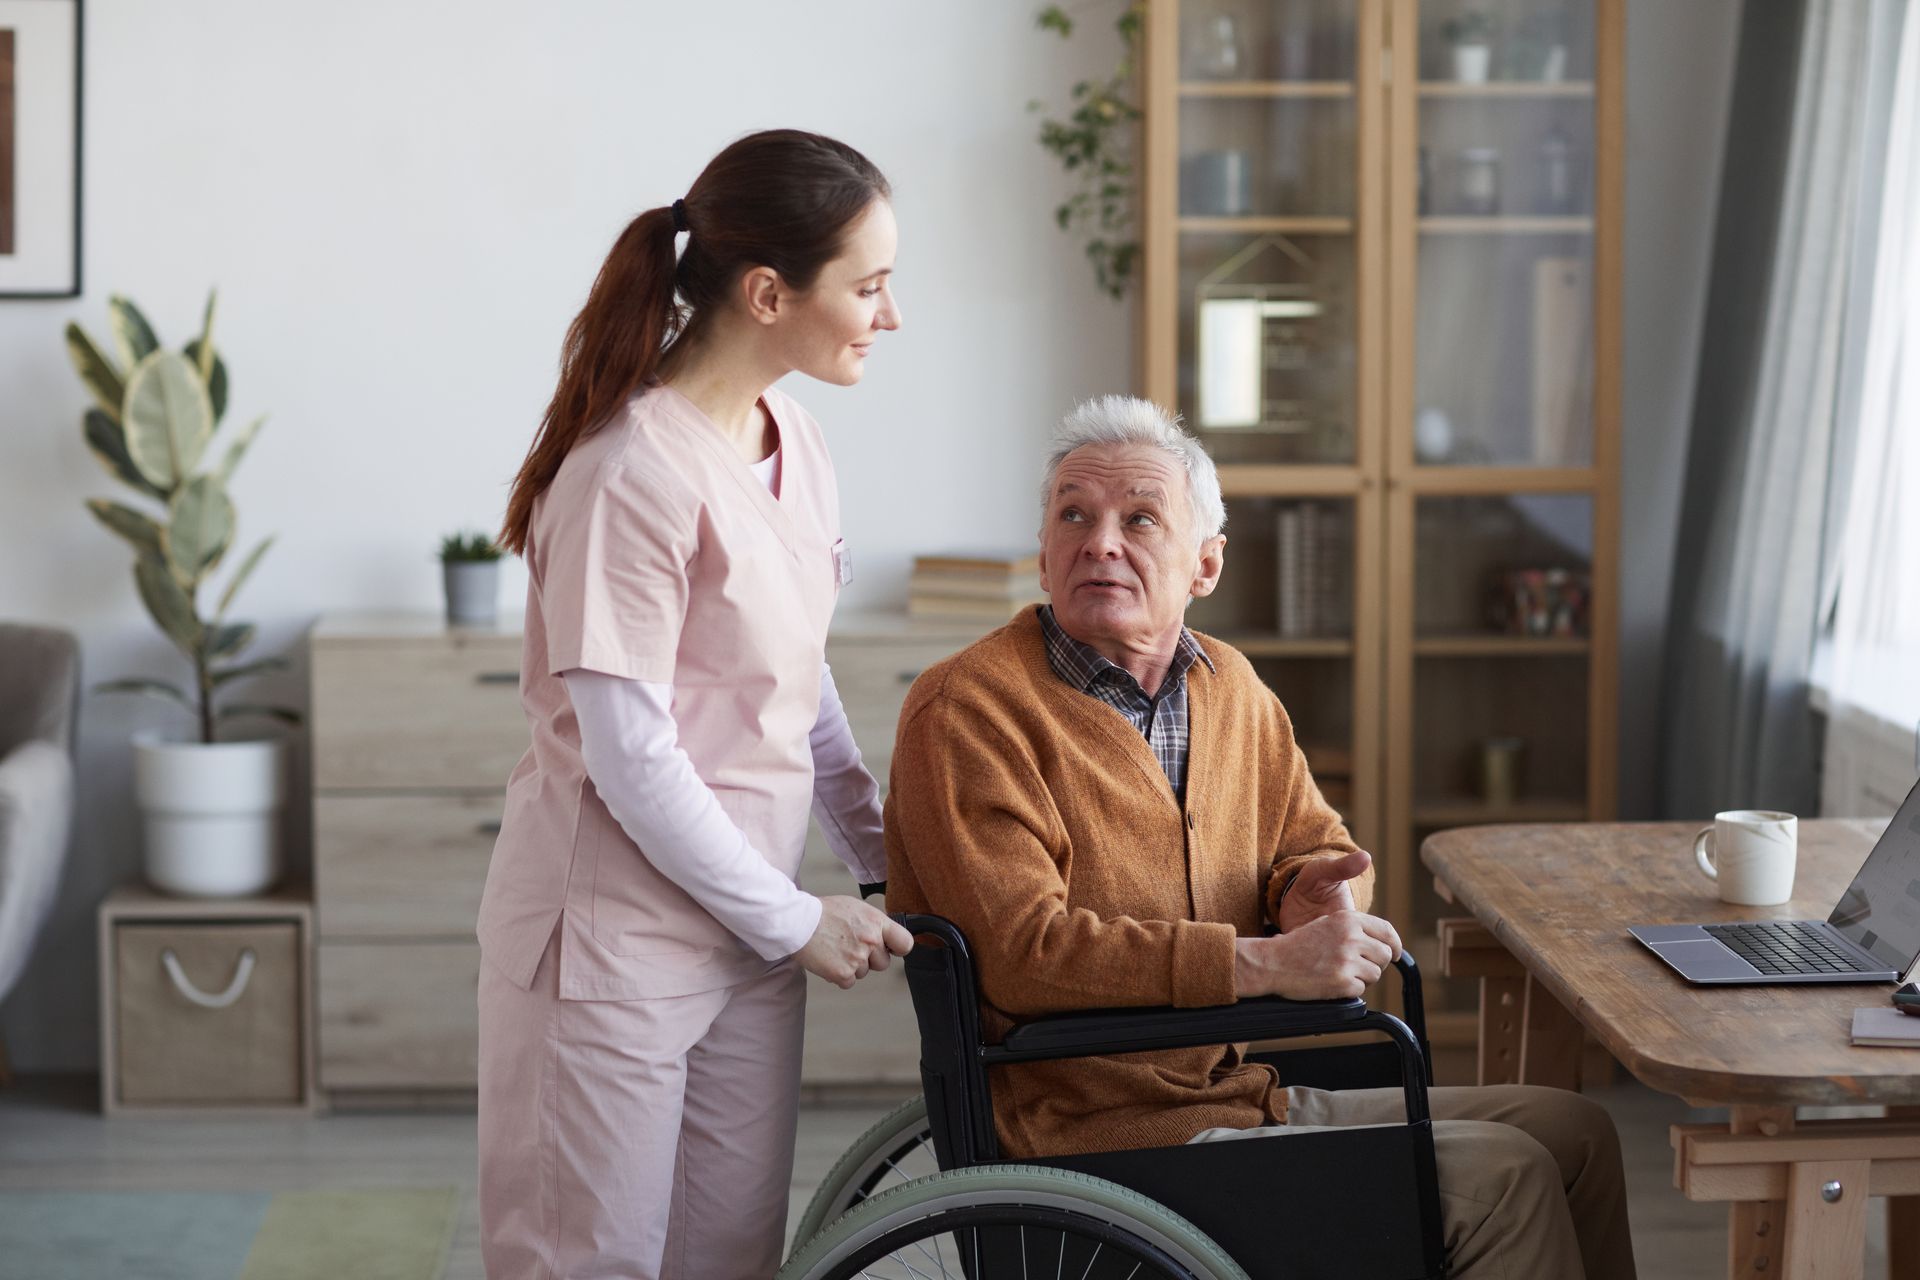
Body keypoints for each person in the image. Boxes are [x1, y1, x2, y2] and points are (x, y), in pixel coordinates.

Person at [884, 395, 1637, 1279]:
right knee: (1507, 1177)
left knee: (1576, 1132)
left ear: (1205, 563)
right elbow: (1024, 953)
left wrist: (1310, 895)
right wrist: (1266, 965)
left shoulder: (1231, 687)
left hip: (1241, 1098)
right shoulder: (969, 709)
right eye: (1074, 516)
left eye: (1141, 519)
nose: (1101, 542)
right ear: (1045, 554)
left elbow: (1312, 843)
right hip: (1100, 1142)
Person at [476, 129, 914, 1280]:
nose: (891, 314)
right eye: (869, 286)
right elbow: (631, 753)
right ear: (771, 293)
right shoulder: (628, 474)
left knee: (728, 1254)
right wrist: (794, 918)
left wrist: (880, 853)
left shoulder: (798, 441)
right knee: (589, 1258)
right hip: (612, 945)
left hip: (749, 931)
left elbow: (795, 672)